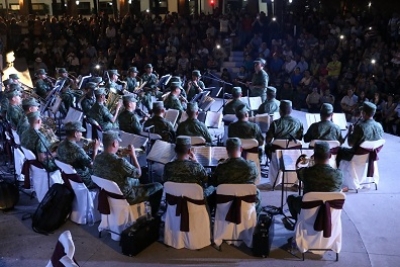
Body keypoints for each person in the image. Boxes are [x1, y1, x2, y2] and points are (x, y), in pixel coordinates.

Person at [93, 131, 163, 216]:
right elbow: (138, 174)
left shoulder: (97, 158)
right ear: (114, 144)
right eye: (118, 142)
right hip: (128, 196)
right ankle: (151, 217)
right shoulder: (120, 162)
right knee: (158, 186)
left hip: (109, 194)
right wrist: (133, 156)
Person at [287, 141, 343, 222]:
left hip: (308, 210)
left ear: (314, 156)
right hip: (330, 211)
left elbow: (298, 171)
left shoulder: (306, 173)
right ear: (330, 156)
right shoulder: (339, 174)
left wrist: (297, 165)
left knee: (291, 198)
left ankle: (299, 222)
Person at [212, 137, 261, 212]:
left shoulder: (221, 167)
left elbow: (215, 182)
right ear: (241, 149)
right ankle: (254, 219)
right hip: (247, 201)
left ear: (227, 150)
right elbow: (254, 180)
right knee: (256, 192)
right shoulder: (251, 166)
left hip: (225, 201)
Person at [57, 121, 100, 189]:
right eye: (80, 132)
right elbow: (94, 166)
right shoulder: (78, 150)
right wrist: (95, 150)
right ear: (76, 134)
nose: (82, 134)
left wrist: (85, 150)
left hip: (72, 180)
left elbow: (75, 156)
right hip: (85, 181)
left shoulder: (61, 145)